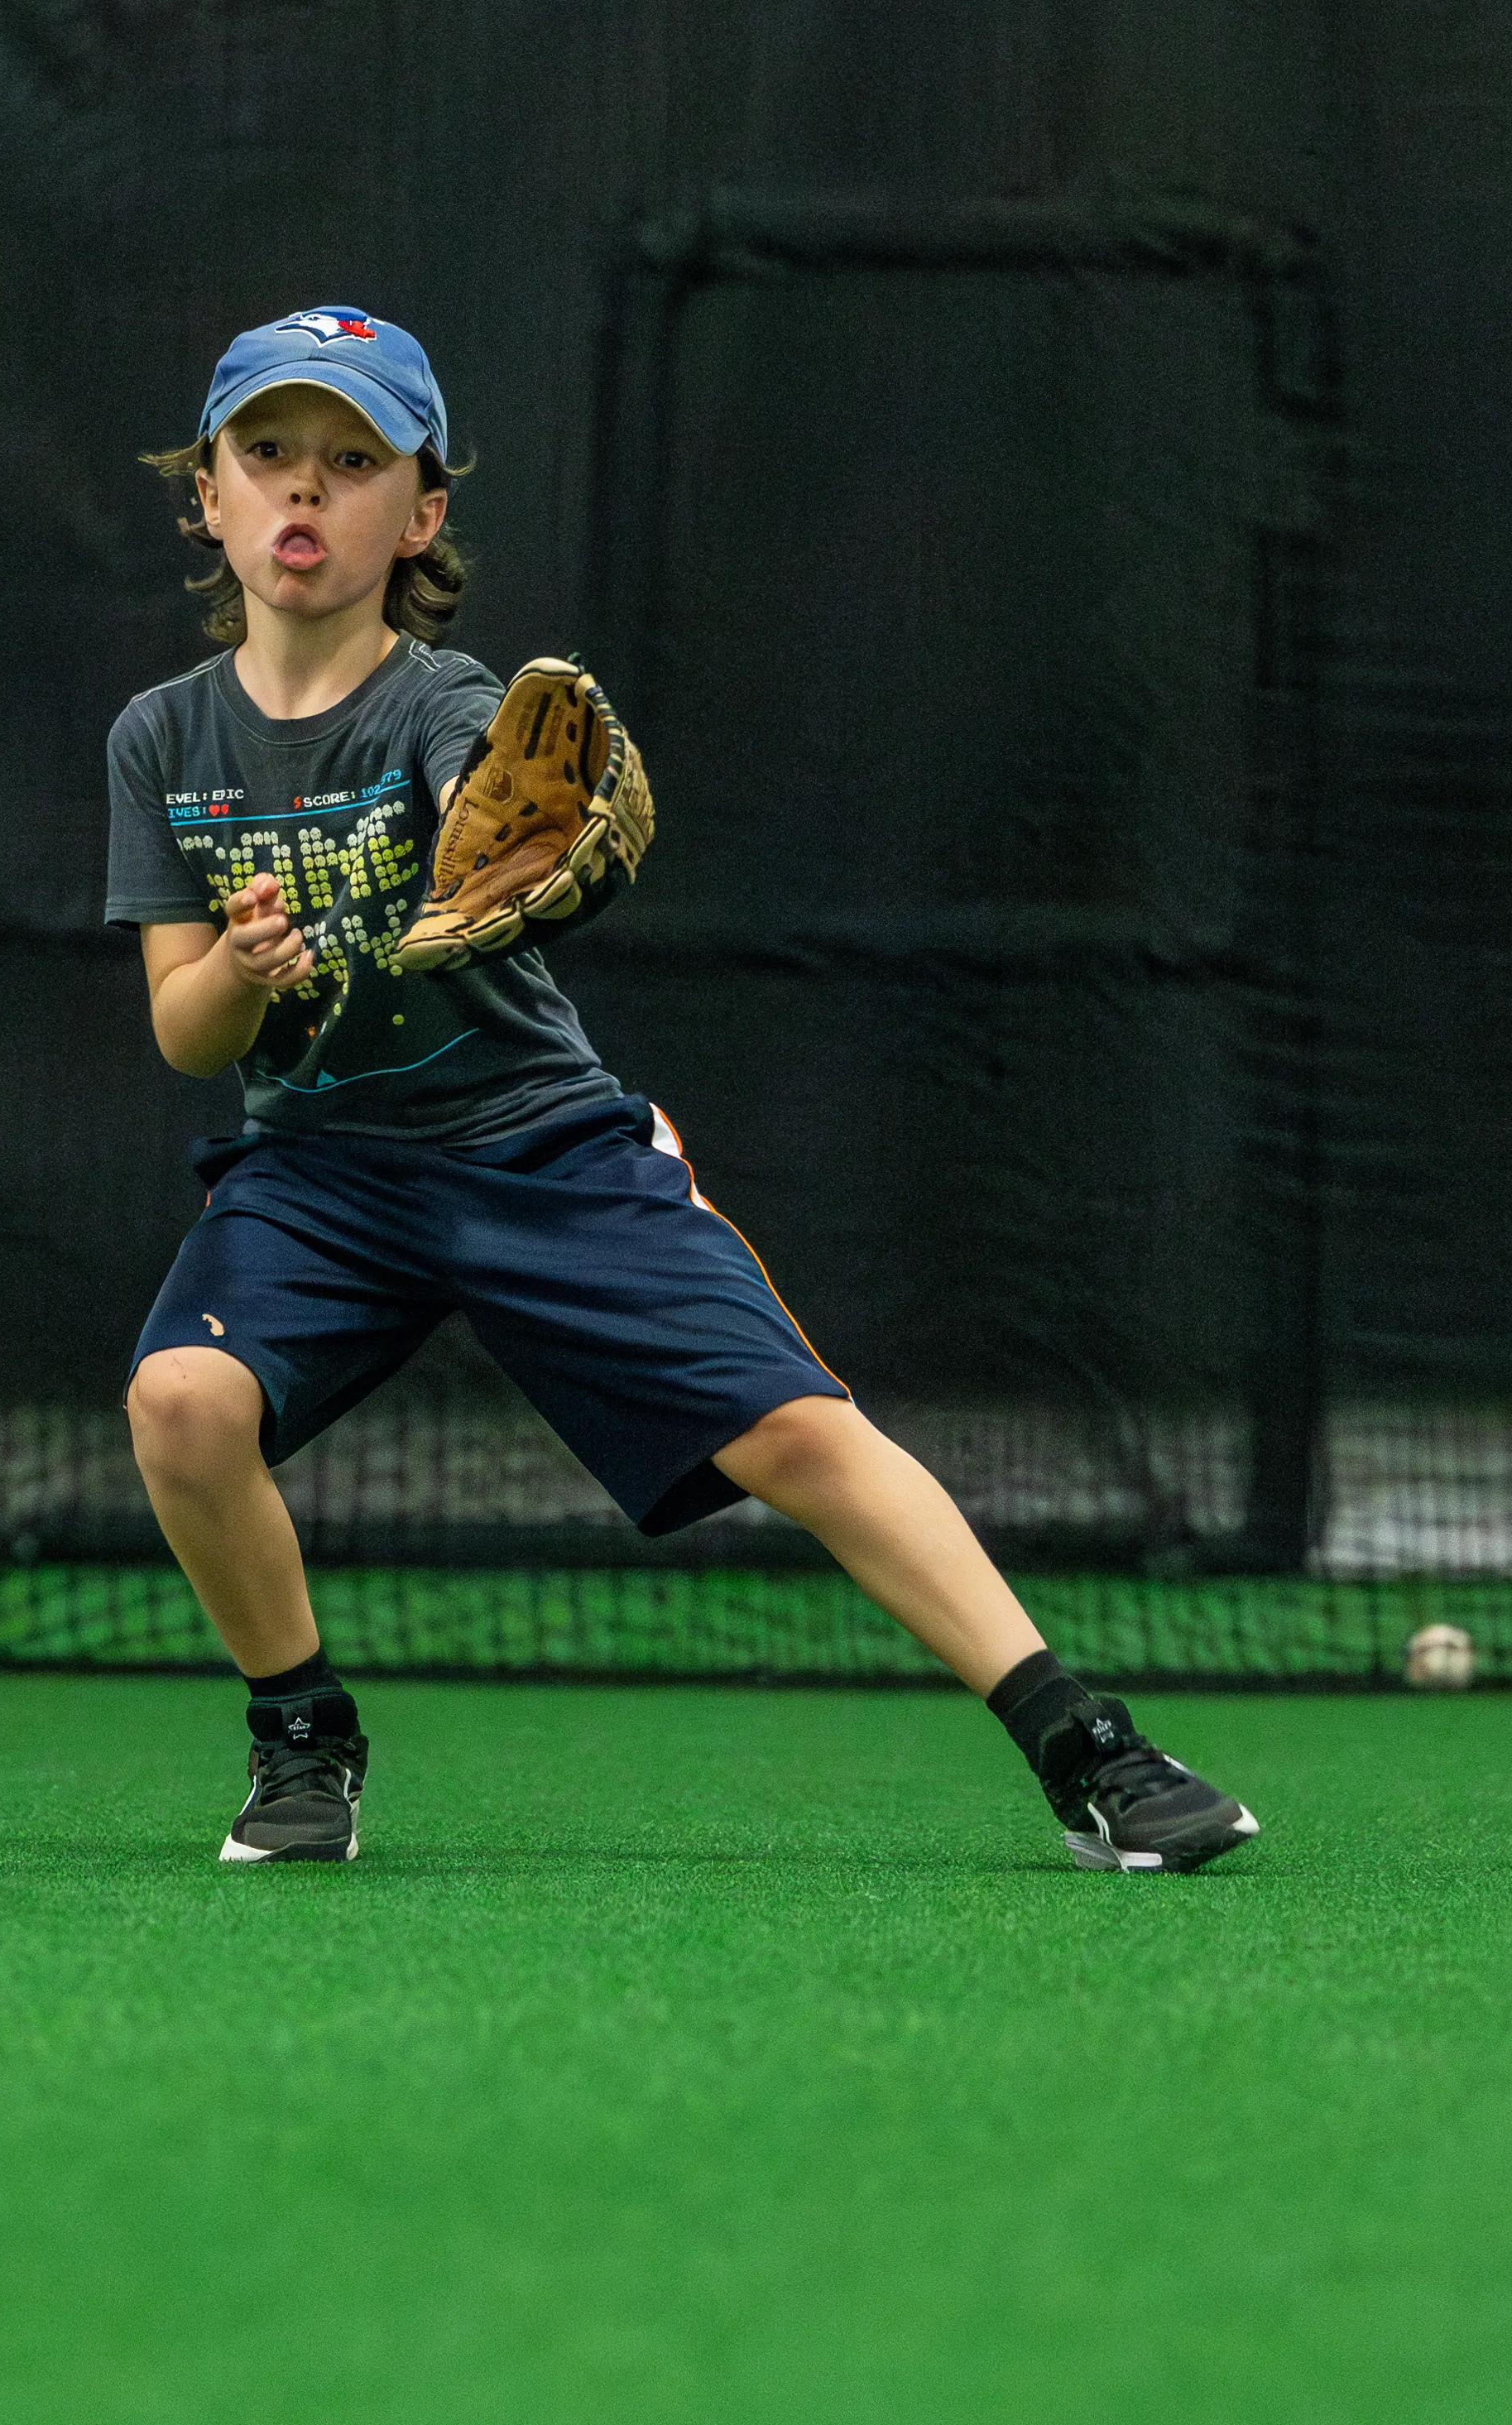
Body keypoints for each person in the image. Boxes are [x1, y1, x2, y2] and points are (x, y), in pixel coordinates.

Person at [102, 304, 1258, 1874]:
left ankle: (1086, 1743)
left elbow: (499, 783)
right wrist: (240, 972)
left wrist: (494, 831)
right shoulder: (162, 738)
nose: (304, 487)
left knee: (796, 1432)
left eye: (355, 461)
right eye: (268, 452)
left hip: (534, 1145)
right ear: (209, 494)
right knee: (181, 1403)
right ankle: (302, 1737)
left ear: (422, 514)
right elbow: (186, 1034)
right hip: (321, 1173)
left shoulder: (445, 705)